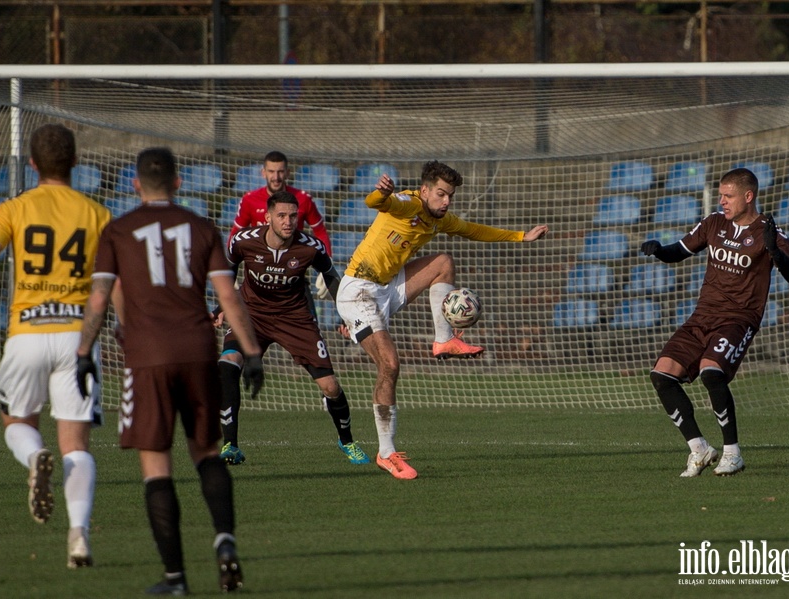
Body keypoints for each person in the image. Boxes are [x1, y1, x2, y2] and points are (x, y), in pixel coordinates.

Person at [76, 147, 264, 595]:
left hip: (147, 357)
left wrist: (83, 351)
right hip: (198, 350)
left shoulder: (118, 231)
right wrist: (252, 352)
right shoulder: (202, 228)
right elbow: (229, 296)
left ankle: (176, 579)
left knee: (156, 467)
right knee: (207, 453)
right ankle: (224, 540)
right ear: (179, 182)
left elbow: (100, 299)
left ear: (135, 184)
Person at [335, 160, 549, 479]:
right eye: (440, 194)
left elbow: (473, 230)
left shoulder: (439, 219)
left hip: (387, 289)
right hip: (359, 292)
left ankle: (443, 340)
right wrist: (380, 194)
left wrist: (521, 236)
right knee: (390, 365)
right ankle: (386, 453)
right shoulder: (408, 203)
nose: (446, 201)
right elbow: (378, 203)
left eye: (449, 195)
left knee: (442, 263)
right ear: (424, 191)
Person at [0, 123, 111, 568]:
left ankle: (33, 456)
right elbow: (110, 278)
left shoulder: (13, 208)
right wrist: (121, 326)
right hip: (77, 340)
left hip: (26, 334)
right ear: (75, 162)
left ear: (32, 164)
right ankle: (79, 536)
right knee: (78, 446)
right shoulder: (96, 213)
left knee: (15, 421)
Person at [641, 167, 789, 478]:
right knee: (662, 375)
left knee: (711, 372)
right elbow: (680, 251)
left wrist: (775, 254)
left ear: (748, 196)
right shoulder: (713, 223)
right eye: (721, 196)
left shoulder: (771, 232)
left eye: (728, 196)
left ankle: (733, 453)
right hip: (703, 315)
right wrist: (660, 251)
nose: (722, 201)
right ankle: (699, 449)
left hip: (739, 319)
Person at [217, 190, 369, 467]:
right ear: (268, 217)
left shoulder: (311, 247)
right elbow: (227, 272)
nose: (288, 221)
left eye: (293, 216)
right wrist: (221, 307)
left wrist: (348, 315)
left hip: (295, 319)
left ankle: (347, 441)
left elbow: (332, 278)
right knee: (227, 364)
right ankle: (231, 445)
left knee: (330, 386)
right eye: (282, 216)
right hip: (252, 315)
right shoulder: (243, 241)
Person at [220, 150, 333, 465]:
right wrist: (224, 298)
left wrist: (327, 264)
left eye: (281, 171)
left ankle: (325, 384)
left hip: (293, 285)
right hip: (255, 296)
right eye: (271, 171)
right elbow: (234, 240)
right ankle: (229, 442)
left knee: (309, 330)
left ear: (286, 172)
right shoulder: (249, 201)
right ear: (263, 172)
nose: (276, 176)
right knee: (228, 363)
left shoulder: (301, 200)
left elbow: (319, 234)